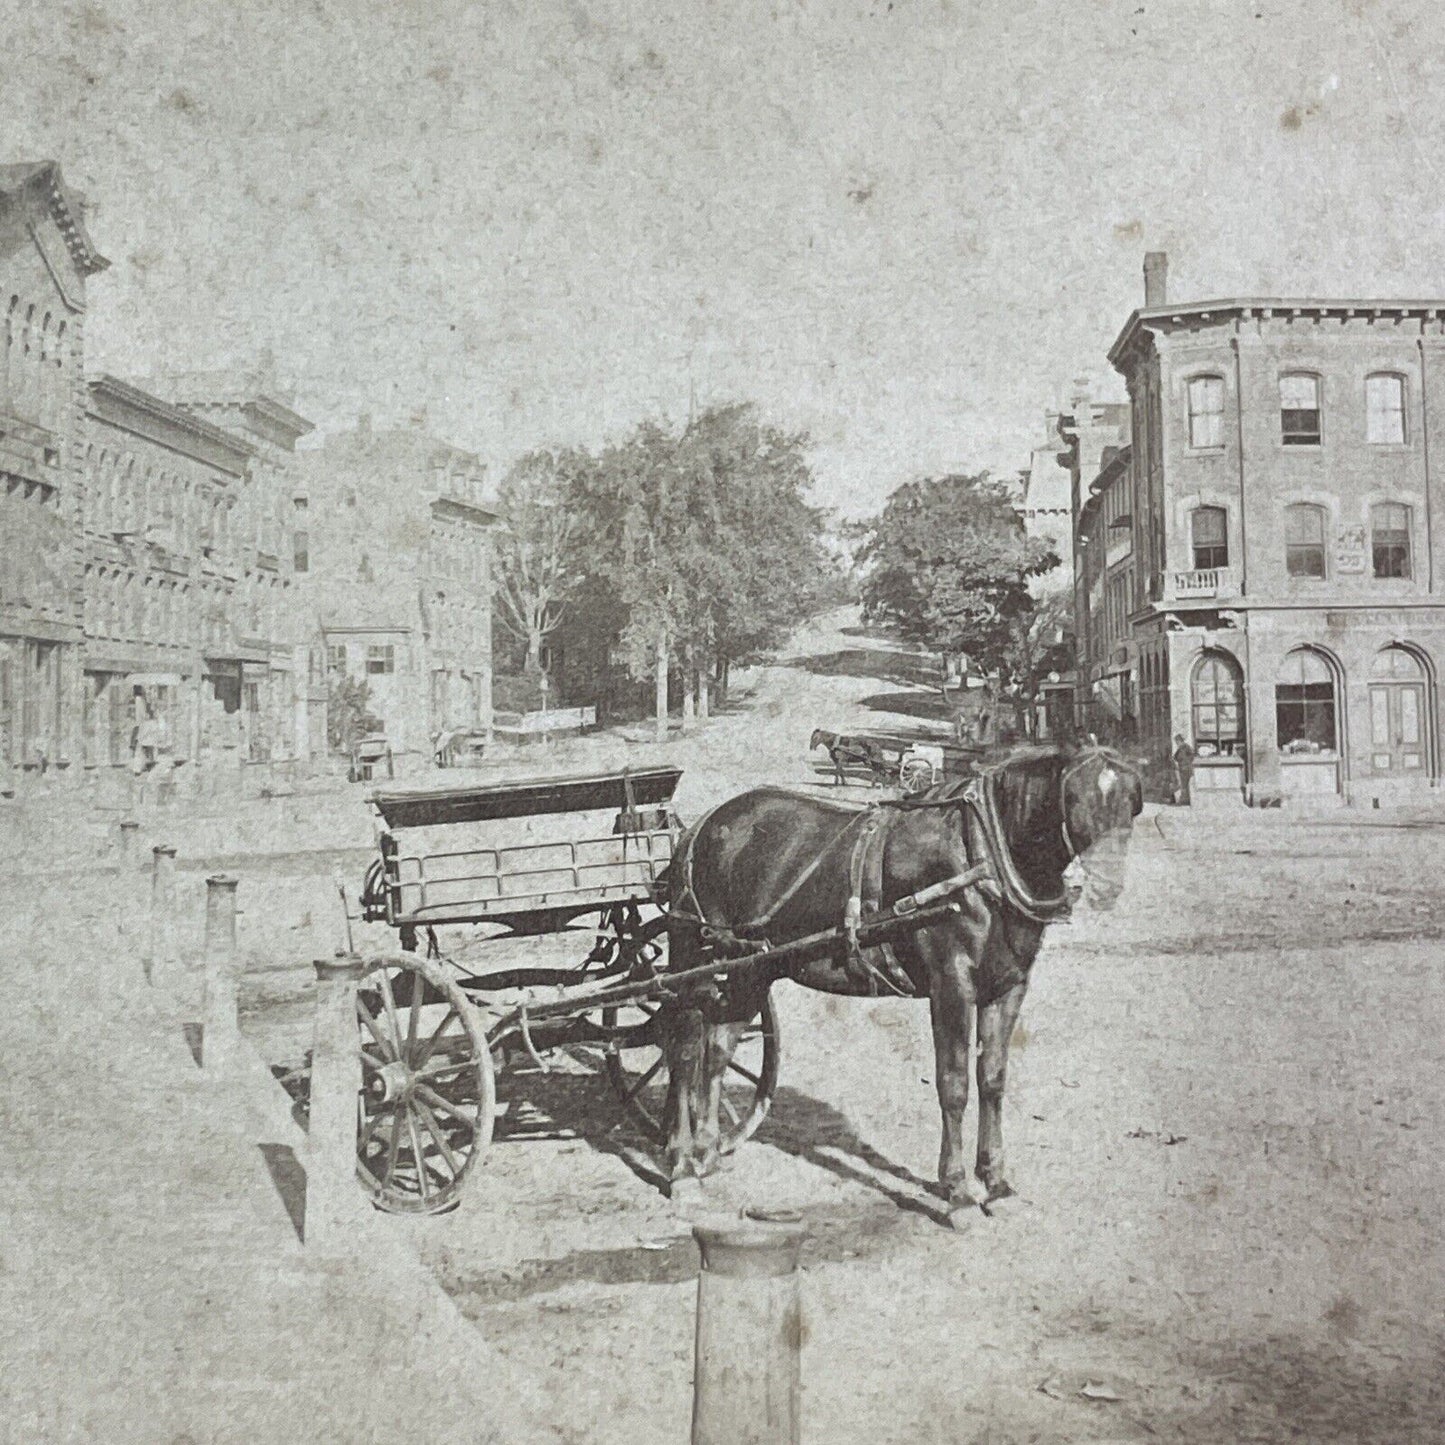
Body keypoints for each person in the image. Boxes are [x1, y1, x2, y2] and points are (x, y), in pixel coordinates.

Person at [1172, 734, 1196, 806]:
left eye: (1177, 741)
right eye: (1176, 742)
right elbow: (1175, 757)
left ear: (1180, 741)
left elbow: (1192, 755)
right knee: (1183, 785)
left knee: (1187, 785)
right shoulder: (1179, 749)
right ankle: (1184, 801)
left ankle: (1188, 801)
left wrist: (1186, 762)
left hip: (1187, 769)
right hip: (1182, 769)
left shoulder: (1186, 747)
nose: (1177, 743)